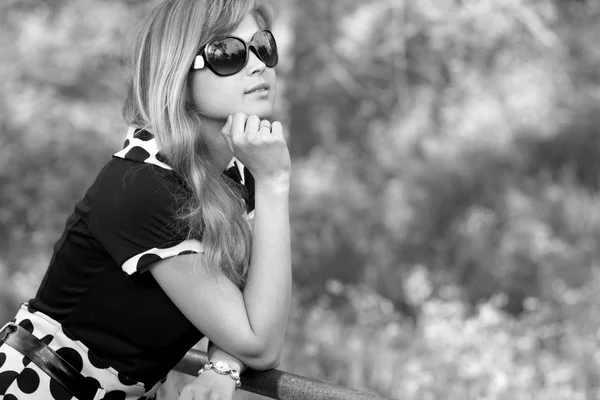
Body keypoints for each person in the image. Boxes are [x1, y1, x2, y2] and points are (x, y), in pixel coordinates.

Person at [0, 0, 291, 399]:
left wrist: (222, 367)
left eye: (262, 46)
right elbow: (261, 343)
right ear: (177, 74)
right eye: (229, 54)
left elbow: (249, 302)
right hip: (39, 388)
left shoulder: (235, 176)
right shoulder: (145, 184)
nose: (258, 64)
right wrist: (275, 182)